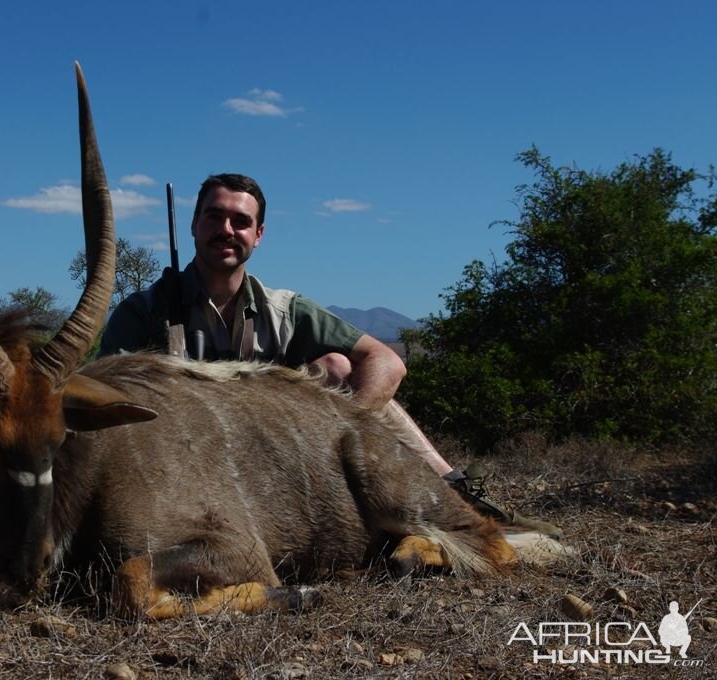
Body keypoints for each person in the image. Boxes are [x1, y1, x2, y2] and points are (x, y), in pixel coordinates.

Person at [100, 173, 561, 538]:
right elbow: (107, 405)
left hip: (270, 459)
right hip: (179, 461)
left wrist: (341, 432)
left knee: (339, 369)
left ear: (258, 235)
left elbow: (388, 362)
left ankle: (452, 489)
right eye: (214, 217)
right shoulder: (142, 313)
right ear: (195, 225)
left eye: (240, 222)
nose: (226, 229)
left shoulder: (285, 309)